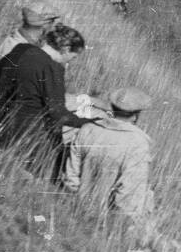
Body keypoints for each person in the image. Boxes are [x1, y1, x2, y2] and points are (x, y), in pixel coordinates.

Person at [0, 24, 92, 177]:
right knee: (60, 147)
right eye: (74, 56)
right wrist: (89, 122)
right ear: (65, 49)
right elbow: (58, 113)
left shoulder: (21, 49)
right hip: (22, 138)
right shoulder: (52, 68)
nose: (72, 61)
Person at [64, 87, 154, 224]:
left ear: (112, 107)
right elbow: (130, 195)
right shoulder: (138, 143)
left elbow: (71, 176)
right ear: (136, 115)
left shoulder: (87, 129)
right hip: (109, 221)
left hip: (77, 208)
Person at [0, 3, 61, 73]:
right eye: (51, 22)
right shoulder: (17, 48)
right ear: (43, 24)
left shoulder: (14, 41)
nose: (52, 27)